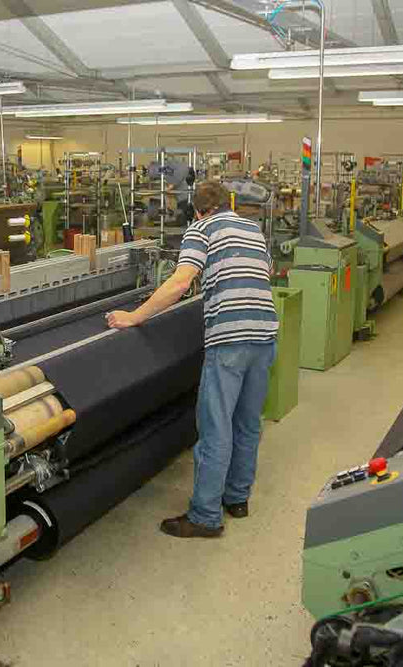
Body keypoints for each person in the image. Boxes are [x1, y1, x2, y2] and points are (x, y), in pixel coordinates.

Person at [107, 180, 278, 538]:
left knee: (216, 428)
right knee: (247, 423)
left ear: (198, 211)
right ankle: (237, 499)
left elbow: (180, 283)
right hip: (264, 335)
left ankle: (204, 516)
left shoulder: (201, 230)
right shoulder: (252, 229)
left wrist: (135, 316)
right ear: (228, 203)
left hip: (229, 339)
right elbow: (263, 272)